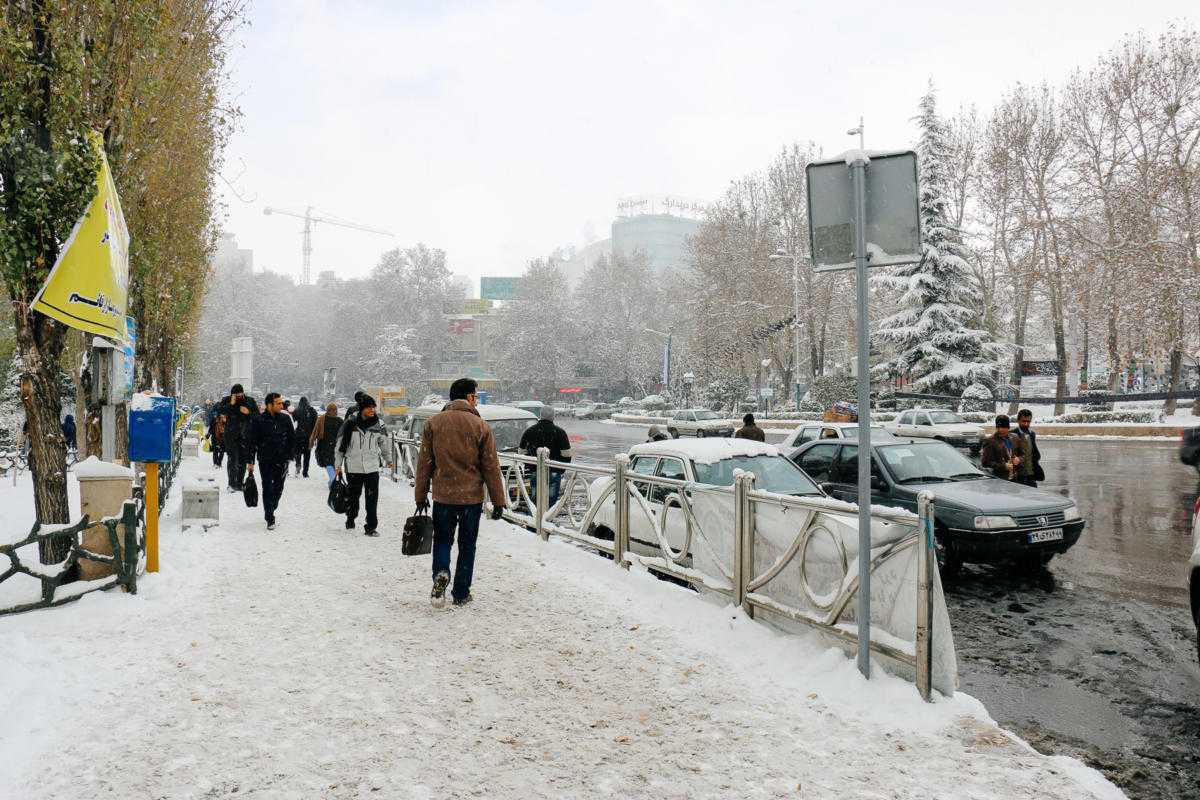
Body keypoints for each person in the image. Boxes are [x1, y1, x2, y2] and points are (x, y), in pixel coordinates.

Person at [414, 377, 507, 608]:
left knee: (443, 540)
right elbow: (491, 466)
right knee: (467, 545)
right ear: (469, 397)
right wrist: (498, 501)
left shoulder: (433, 424)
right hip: (471, 498)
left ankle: (441, 573)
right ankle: (461, 592)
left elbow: (424, 463)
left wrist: (420, 494)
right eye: (475, 395)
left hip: (443, 496)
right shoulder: (480, 426)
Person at [334, 395, 392, 536]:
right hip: (353, 467)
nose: (372, 410)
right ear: (362, 408)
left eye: (373, 407)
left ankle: (371, 527)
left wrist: (389, 460)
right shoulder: (349, 424)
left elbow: (384, 444)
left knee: (372, 499)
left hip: (372, 467)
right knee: (354, 497)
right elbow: (339, 446)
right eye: (369, 407)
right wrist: (338, 465)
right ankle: (351, 518)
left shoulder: (379, 425)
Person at [247, 392, 294, 530]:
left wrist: (290, 455)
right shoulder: (258, 420)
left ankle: (272, 505)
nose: (281, 405)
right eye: (278, 403)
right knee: (267, 486)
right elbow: (252, 442)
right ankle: (269, 517)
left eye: (281, 403)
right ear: (269, 405)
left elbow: (292, 438)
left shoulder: (285, 419)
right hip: (265, 459)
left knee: (278, 487)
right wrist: (250, 461)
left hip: (281, 459)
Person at [518, 405, 573, 509]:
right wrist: (560, 469)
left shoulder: (529, 431)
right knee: (551, 502)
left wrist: (530, 465)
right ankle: (547, 521)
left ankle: (535, 521)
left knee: (535, 500)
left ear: (540, 415)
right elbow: (567, 455)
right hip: (554, 471)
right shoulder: (560, 433)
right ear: (553, 416)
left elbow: (521, 453)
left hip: (535, 471)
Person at [215, 384, 258, 492]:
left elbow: (257, 416)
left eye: (240, 393)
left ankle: (239, 483)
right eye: (236, 394)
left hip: (245, 435)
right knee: (233, 458)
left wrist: (248, 412)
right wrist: (231, 404)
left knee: (243, 460)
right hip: (230, 435)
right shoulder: (227, 400)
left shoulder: (250, 401)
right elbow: (219, 411)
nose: (239, 395)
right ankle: (231, 484)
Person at [980, 414, 1022, 481]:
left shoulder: (1015, 437)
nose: (1003, 430)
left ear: (1008, 427)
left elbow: (1023, 454)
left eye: (1005, 428)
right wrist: (1004, 466)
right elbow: (985, 463)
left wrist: (1019, 459)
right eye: (1000, 428)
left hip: (1015, 478)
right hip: (999, 479)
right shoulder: (990, 441)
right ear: (997, 427)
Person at [311, 402, 343, 485]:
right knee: (332, 463)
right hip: (331, 445)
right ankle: (333, 480)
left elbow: (315, 431)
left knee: (329, 463)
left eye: (336, 410)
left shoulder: (322, 419)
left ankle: (333, 480)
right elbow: (315, 431)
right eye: (334, 410)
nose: (335, 412)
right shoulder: (338, 420)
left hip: (326, 445)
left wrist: (312, 440)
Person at [1012, 409, 1043, 488]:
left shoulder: (1032, 434)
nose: (1026, 424)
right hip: (1019, 475)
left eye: (1028, 422)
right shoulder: (1012, 434)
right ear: (1018, 421)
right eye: (1023, 421)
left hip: (1031, 474)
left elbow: (1033, 451)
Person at [293, 397, 318, 477]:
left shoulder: (296, 411)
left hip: (298, 435)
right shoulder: (312, 411)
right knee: (307, 455)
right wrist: (314, 436)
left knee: (297, 452)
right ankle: (305, 472)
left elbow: (293, 422)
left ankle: (298, 464)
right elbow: (315, 425)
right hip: (308, 436)